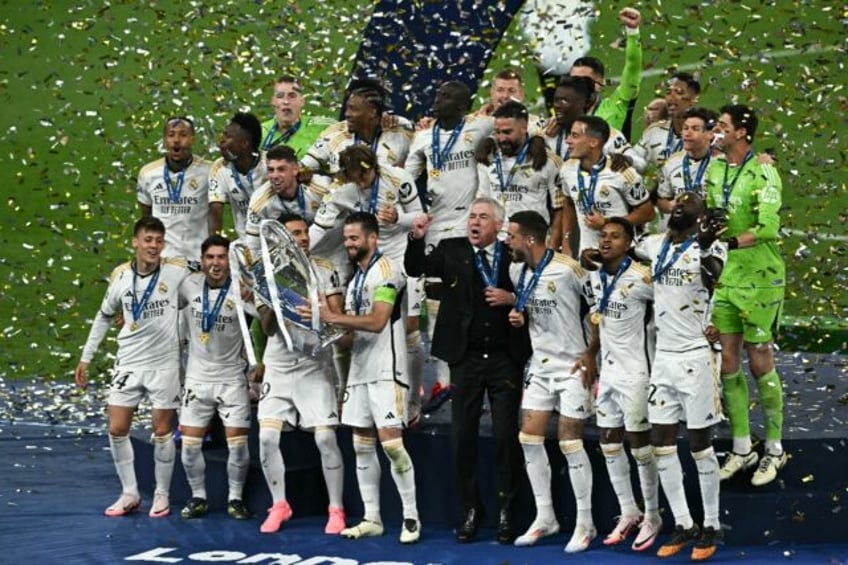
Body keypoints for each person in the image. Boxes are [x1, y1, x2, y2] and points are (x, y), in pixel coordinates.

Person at [405, 197, 531, 545]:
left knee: (507, 436)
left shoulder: (513, 253)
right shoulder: (450, 249)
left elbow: (535, 290)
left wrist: (513, 298)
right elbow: (416, 268)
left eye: (483, 217)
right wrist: (415, 239)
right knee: (463, 439)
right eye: (471, 216)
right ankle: (471, 510)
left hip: (505, 357)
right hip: (466, 359)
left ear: (498, 226)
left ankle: (508, 511)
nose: (474, 222)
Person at [300, 212, 421, 544]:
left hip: (387, 372)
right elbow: (352, 335)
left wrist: (332, 315)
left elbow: (379, 321)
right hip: (359, 371)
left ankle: (411, 517)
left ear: (373, 238)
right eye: (347, 238)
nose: (349, 244)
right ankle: (373, 518)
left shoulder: (388, 272)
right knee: (361, 446)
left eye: (355, 238)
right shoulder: (354, 280)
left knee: (393, 446)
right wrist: (322, 325)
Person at [75, 217, 188, 518]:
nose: (153, 246)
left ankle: (161, 495)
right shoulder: (121, 278)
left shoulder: (177, 271)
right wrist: (86, 357)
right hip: (128, 361)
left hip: (164, 364)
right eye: (148, 240)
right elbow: (103, 316)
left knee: (162, 431)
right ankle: (129, 493)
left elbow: (206, 287)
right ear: (135, 242)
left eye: (158, 241)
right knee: (117, 428)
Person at [634, 193, 726, 560]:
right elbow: (627, 241)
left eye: (689, 204)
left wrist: (703, 247)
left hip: (695, 358)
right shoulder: (656, 244)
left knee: (700, 445)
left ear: (699, 218)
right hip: (663, 360)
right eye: (678, 201)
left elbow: (713, 279)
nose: (680, 205)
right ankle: (684, 523)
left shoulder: (712, 246)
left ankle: (712, 525)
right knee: (661, 444)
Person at [705, 104, 787, 486]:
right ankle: (742, 447)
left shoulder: (765, 171)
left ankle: (774, 447)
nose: (716, 131)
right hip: (729, 276)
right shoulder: (716, 169)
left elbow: (768, 227)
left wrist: (731, 243)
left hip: (761, 276)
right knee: (728, 359)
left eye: (722, 126)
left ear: (742, 133)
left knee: (759, 360)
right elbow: (712, 215)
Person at [503, 211, 595, 553]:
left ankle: (585, 522)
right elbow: (532, 305)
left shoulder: (570, 270)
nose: (506, 242)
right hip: (539, 367)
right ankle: (546, 517)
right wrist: (519, 315)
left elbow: (596, 309)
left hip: (573, 365)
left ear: (529, 238)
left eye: (511, 236)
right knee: (529, 438)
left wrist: (591, 354)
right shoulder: (516, 271)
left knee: (570, 442)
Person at [405, 80, 495, 413]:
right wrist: (414, 213)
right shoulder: (425, 136)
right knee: (435, 303)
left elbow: (518, 128)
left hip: (467, 226)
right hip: (435, 226)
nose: (437, 100)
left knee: (466, 302)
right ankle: (445, 380)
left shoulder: (480, 126)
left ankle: (467, 377)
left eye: (445, 97)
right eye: (438, 93)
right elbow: (405, 179)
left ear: (462, 106)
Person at [254, 213, 347, 535]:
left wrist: (322, 310)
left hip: (314, 365)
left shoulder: (324, 268)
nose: (304, 238)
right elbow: (266, 328)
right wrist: (275, 302)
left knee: (325, 437)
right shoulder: (267, 274)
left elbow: (339, 320)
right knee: (266, 437)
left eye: (305, 232)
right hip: (279, 367)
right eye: (296, 233)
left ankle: (336, 508)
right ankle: (280, 504)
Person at [578, 218, 660, 551]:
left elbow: (671, 303)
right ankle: (629, 510)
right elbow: (599, 321)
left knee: (640, 444)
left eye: (615, 236)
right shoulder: (596, 278)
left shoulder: (642, 277)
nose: (607, 240)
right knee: (609, 440)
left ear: (628, 244)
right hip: (609, 373)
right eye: (603, 236)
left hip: (637, 372)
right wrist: (590, 353)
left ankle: (653, 515)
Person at [177, 235, 252, 521]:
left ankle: (235, 498)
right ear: (202, 260)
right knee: (189, 447)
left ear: (229, 261)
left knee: (239, 445)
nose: (216, 263)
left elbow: (266, 325)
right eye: (210, 257)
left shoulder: (242, 291)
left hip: (232, 378)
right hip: (197, 379)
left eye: (221, 257)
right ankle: (198, 497)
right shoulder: (188, 285)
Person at [560, 115, 652, 256]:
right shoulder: (567, 170)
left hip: (621, 256)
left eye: (575, 136)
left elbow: (647, 212)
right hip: (587, 255)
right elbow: (568, 203)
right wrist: (566, 242)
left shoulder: (621, 171)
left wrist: (608, 222)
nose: (568, 141)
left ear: (593, 142)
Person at [477, 101, 564, 246]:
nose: (502, 138)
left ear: (524, 128)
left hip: (534, 240)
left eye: (507, 132)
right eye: (497, 132)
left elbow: (560, 207)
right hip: (498, 241)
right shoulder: (489, 158)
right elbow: (483, 200)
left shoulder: (548, 161)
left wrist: (554, 243)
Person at [137, 116, 211, 264]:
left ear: (193, 139)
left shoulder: (209, 171)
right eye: (171, 135)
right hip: (162, 260)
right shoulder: (148, 173)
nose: (176, 140)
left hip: (197, 259)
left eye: (183, 135)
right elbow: (146, 219)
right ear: (164, 140)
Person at [301, 81, 414, 176]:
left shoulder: (400, 130)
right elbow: (303, 166)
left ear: (372, 112)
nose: (346, 114)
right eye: (347, 108)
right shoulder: (334, 134)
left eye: (353, 109)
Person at [543, 75, 646, 171]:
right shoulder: (547, 130)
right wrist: (539, 137)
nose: (557, 105)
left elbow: (641, 164)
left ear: (586, 102)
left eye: (565, 101)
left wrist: (627, 160)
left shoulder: (603, 133)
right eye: (556, 100)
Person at [570, 7, 643, 135]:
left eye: (584, 80)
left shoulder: (617, 105)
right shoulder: (566, 116)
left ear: (600, 83)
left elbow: (633, 66)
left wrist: (632, 31)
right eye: (574, 80)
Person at [208, 112, 268, 238]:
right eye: (223, 134)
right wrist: (215, 241)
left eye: (228, 136)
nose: (221, 141)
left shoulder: (270, 164)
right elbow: (215, 210)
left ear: (245, 143)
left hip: (277, 238)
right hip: (247, 244)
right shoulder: (219, 167)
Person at [633, 73, 700, 169]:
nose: (671, 97)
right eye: (668, 92)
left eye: (679, 93)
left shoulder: (707, 135)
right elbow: (635, 159)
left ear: (694, 99)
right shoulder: (654, 131)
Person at [259, 75, 335, 157]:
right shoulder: (259, 132)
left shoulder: (323, 127)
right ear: (273, 101)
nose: (286, 101)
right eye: (280, 96)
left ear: (302, 101)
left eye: (292, 96)